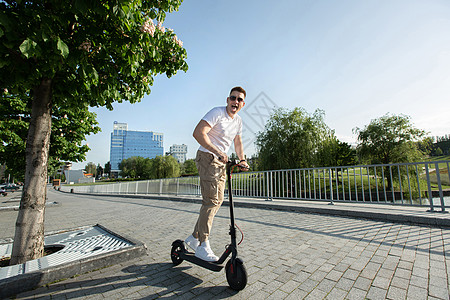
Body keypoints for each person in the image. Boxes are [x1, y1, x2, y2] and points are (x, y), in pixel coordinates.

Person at [185, 86, 250, 262]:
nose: (235, 102)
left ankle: (194, 237)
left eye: (239, 99)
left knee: (217, 201)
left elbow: (237, 142)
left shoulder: (238, 121)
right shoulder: (217, 112)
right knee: (211, 201)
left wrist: (242, 159)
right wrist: (217, 151)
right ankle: (202, 245)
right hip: (207, 157)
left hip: (221, 162)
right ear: (227, 100)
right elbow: (198, 133)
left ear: (243, 104)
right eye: (232, 98)